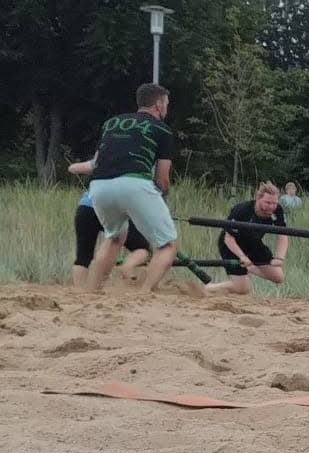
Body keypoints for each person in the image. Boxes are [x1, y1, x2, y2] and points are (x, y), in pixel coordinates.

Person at [82, 84, 181, 294]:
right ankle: (144, 292)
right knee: (167, 245)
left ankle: (92, 290)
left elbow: (98, 159)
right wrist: (163, 195)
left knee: (114, 238)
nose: (166, 108)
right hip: (134, 183)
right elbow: (162, 178)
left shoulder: (111, 123)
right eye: (166, 104)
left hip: (98, 185)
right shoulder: (162, 130)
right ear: (158, 104)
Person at [66, 160, 150, 290]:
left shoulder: (105, 157)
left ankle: (80, 291)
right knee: (141, 248)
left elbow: (74, 168)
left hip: (86, 207)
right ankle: (128, 266)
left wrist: (79, 167)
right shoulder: (137, 162)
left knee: (83, 256)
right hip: (112, 209)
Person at [203, 183, 293, 296]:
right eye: (268, 203)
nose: (271, 207)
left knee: (278, 277)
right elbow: (228, 238)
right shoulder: (241, 210)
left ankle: (250, 267)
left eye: (274, 203)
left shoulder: (277, 210)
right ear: (258, 198)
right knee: (243, 288)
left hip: (253, 243)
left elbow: (283, 234)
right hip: (232, 245)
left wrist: (280, 257)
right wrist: (242, 256)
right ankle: (208, 288)